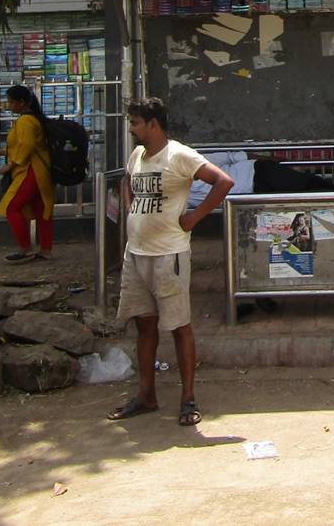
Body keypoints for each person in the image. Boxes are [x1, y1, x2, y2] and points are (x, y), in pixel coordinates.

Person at [108, 97, 234, 427]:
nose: (132, 129)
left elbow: (223, 182)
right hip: (136, 254)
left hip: (169, 254)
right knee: (144, 325)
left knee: (179, 326)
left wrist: (194, 217)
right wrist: (132, 209)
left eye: (136, 122)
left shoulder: (180, 155)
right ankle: (146, 394)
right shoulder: (137, 155)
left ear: (153, 123)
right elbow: (127, 182)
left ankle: (187, 398)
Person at [0, 85, 54, 263]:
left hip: (30, 170)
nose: (9, 105)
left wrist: (11, 164)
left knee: (11, 207)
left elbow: (26, 146)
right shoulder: (34, 119)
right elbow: (23, 145)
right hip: (41, 171)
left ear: (22, 102)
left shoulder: (25, 121)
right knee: (42, 209)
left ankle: (25, 248)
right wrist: (2, 153)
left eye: (11, 101)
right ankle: (46, 249)